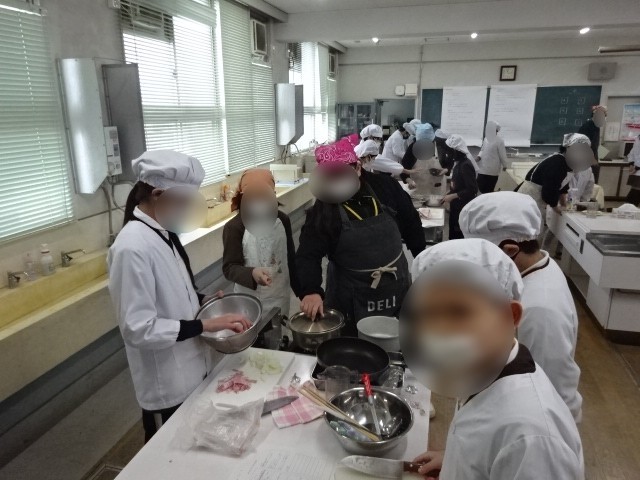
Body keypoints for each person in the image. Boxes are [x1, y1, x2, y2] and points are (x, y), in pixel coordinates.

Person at [404, 239, 584, 479]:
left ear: (511, 315)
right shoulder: (479, 374)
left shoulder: (531, 439)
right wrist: (458, 459)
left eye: (459, 312)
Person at [108, 150, 251, 441]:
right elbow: (138, 328)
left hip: (192, 370)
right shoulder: (131, 247)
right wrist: (204, 325)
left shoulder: (162, 232)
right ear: (158, 195)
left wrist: (201, 300)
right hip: (167, 385)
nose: (187, 210)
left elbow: (169, 291)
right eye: (184, 201)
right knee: (171, 453)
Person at [459, 191, 583, 422]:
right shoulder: (539, 266)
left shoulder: (540, 310)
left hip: (530, 423)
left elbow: (546, 392)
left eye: (482, 259)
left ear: (510, 250)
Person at [296, 142, 426, 334]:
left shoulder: (386, 187)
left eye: (340, 175)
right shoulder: (323, 209)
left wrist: (425, 264)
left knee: (397, 336)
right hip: (350, 293)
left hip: (394, 284)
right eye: (330, 177)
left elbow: (411, 224)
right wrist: (311, 290)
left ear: (357, 168)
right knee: (352, 342)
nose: (335, 182)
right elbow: (308, 254)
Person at [223, 169, 300, 317]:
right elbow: (229, 268)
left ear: (272, 195)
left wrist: (304, 293)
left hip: (279, 296)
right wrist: (252, 273)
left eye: (264, 196)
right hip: (249, 301)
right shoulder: (234, 227)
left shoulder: (282, 220)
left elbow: (290, 259)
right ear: (243, 196)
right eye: (253, 196)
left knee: (279, 327)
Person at [518, 133, 593, 237]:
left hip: (538, 201)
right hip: (529, 199)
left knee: (536, 230)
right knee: (529, 231)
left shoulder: (568, 164)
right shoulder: (557, 163)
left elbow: (563, 187)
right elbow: (549, 190)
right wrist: (556, 208)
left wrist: (564, 205)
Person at [442, 134, 478, 240]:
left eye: (449, 151)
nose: (447, 153)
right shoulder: (458, 163)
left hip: (463, 207)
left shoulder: (465, 165)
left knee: (458, 236)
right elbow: (458, 185)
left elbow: (472, 190)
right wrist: (448, 194)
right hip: (456, 205)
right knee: (453, 233)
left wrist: (453, 196)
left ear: (456, 150)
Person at [476, 120, 508, 193]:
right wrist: (479, 156)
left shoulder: (500, 141)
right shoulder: (486, 138)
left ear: (496, 130)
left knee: (489, 189)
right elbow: (482, 149)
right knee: (479, 185)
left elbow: (502, 154)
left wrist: (505, 165)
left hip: (493, 169)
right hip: (483, 168)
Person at [578, 105, 606, 182]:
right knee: (586, 183)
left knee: (592, 182)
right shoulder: (587, 126)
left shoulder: (596, 126)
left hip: (592, 160)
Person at [626, 134, 640, 205]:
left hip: (638, 169)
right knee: (634, 190)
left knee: (636, 191)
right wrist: (631, 163)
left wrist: (637, 168)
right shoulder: (638, 138)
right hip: (637, 169)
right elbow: (633, 152)